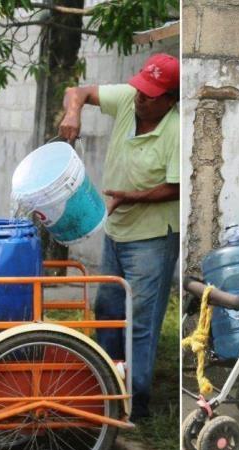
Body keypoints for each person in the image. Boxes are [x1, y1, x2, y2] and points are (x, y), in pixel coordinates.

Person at [58, 54, 181, 420]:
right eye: (140, 89)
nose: (140, 98)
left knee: (141, 321)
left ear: (171, 99)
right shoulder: (129, 99)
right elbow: (75, 91)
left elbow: (175, 186)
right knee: (108, 310)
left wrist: (132, 197)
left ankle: (135, 403)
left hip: (153, 239)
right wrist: (73, 113)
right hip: (117, 233)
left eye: (150, 95)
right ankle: (104, 390)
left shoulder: (176, 130)